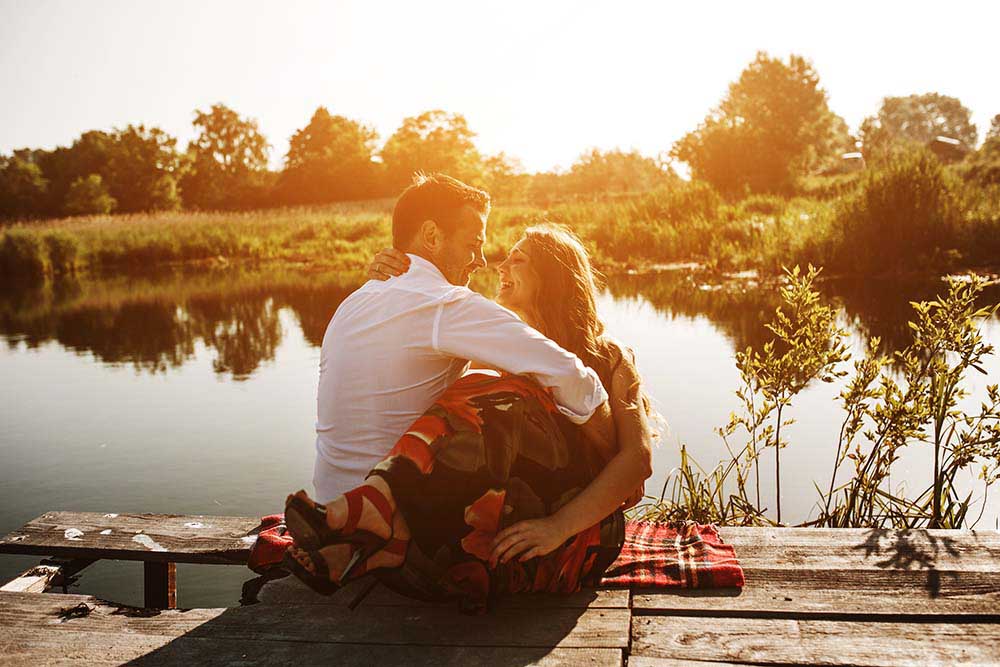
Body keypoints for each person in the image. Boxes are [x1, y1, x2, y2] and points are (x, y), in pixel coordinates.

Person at [285, 176, 654, 610]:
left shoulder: (356, 303)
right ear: (431, 236)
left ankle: (374, 509)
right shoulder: (453, 313)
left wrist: (590, 491)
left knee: (491, 392)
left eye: (515, 259)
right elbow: (560, 377)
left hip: (565, 522)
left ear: (553, 278)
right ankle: (376, 511)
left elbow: (635, 459)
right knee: (490, 391)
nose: (486, 262)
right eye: (475, 243)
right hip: (431, 542)